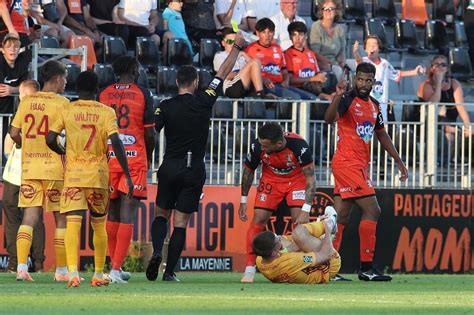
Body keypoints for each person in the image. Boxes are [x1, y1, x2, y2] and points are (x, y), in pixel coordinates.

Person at [146, 32, 246, 282]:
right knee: (180, 222)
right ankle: (169, 272)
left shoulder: (165, 105)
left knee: (161, 214)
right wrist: (236, 47)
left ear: (177, 82)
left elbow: (151, 130)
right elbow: (222, 72)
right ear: (195, 83)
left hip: (169, 166)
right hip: (193, 168)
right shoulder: (205, 99)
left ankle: (157, 250)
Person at [46, 71, 133, 288]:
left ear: (76, 88)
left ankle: (73, 274)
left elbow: (49, 138)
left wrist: (62, 150)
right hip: (98, 175)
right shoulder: (106, 112)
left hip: (74, 174)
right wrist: (127, 174)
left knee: (73, 225)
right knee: (98, 225)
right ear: (96, 90)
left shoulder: (67, 109)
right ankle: (98, 274)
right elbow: (116, 143)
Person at [324, 62, 408, 281]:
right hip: (347, 163)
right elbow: (328, 119)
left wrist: (398, 160)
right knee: (373, 210)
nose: (363, 83)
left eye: (368, 80)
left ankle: (327, 269)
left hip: (358, 164)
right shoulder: (347, 100)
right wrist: (337, 97)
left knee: (341, 216)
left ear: (373, 81)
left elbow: (382, 134)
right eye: (360, 79)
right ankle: (367, 268)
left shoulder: (374, 105)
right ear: (355, 79)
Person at [10, 60, 70, 282]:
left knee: (30, 215)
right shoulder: (63, 103)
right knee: (60, 218)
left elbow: (14, 132)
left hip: (30, 166)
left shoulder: (28, 101)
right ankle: (61, 271)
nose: (65, 82)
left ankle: (22, 268)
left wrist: (23, 144)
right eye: (64, 78)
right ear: (56, 79)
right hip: (54, 168)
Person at [98, 56, 155, 284]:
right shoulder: (143, 93)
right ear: (134, 69)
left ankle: (114, 267)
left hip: (109, 157)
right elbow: (149, 133)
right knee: (127, 213)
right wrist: (148, 156)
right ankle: (116, 268)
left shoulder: (103, 93)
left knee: (112, 212)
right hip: (134, 159)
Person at [238, 122, 316, 283]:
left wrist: (306, 209)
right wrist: (243, 200)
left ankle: (296, 264)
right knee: (258, 220)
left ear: (279, 143)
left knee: (300, 224)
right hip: (271, 181)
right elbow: (248, 171)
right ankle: (250, 269)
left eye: (266, 146)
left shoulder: (299, 146)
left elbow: (310, 178)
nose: (263, 149)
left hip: (296, 181)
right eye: (261, 144)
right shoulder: (257, 146)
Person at [2, 79, 45, 273]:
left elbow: (10, 139)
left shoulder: (21, 112)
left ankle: (14, 263)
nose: (19, 98)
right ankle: (38, 263)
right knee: (35, 217)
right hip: (37, 172)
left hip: (14, 174)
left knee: (12, 218)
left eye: (20, 95)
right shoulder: (48, 113)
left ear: (26, 96)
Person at [253, 207, 340, 284]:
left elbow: (292, 247)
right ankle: (330, 224)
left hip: (293, 264)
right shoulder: (293, 261)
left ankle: (319, 233)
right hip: (330, 264)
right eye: (277, 240)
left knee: (290, 239)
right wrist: (327, 230)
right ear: (273, 252)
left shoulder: (260, 260)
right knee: (299, 233)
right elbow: (326, 255)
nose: (279, 237)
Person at [353, 35, 425, 122]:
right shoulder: (364, 61)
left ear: (379, 48)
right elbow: (358, 60)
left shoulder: (385, 63)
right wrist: (355, 52)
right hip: (365, 103)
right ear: (365, 49)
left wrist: (414, 72)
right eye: (369, 45)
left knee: (381, 130)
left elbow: (397, 74)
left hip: (381, 105)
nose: (372, 47)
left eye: (374, 44)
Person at [417, 55, 472, 163]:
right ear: (432, 68)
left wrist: (468, 125)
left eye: (443, 65)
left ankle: (445, 164)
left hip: (449, 122)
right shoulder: (426, 85)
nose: (440, 67)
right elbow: (433, 105)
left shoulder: (454, 84)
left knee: (450, 137)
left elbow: (460, 107)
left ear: (447, 68)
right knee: (449, 130)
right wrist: (438, 83)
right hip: (430, 122)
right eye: (437, 64)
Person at [245, 18, 315, 100]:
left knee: (311, 98)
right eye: (264, 32)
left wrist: (286, 80)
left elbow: (284, 71)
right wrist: (262, 79)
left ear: (274, 33)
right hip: (264, 86)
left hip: (280, 85)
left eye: (270, 32)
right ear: (257, 33)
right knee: (296, 98)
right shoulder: (250, 49)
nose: (267, 35)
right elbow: (247, 71)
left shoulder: (277, 48)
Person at [284, 21, 334, 101]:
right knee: (326, 98)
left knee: (336, 94)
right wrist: (312, 79)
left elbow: (317, 74)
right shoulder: (287, 54)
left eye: (300, 34)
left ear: (305, 36)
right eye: (294, 35)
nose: (297, 38)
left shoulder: (310, 53)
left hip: (313, 86)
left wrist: (321, 77)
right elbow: (290, 79)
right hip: (298, 88)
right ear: (290, 37)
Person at [213, 27, 267, 98]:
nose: (233, 44)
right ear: (223, 43)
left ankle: (260, 94)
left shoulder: (242, 55)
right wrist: (246, 72)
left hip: (245, 85)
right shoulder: (220, 55)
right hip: (230, 87)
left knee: (256, 63)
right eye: (230, 41)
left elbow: (257, 68)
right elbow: (226, 75)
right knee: (255, 61)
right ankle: (261, 95)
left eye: (235, 42)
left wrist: (243, 54)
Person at [0, 33, 29, 140]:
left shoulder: (22, 65)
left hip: (10, 110)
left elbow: (27, 87)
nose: (12, 49)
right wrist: (18, 89)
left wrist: (13, 89)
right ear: (2, 50)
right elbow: (2, 89)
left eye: (15, 47)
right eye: (8, 47)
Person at [309, 0, 346, 79]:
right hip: (320, 63)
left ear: (336, 11)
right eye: (325, 9)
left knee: (355, 65)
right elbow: (315, 53)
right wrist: (332, 64)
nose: (328, 11)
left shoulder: (339, 29)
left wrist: (342, 63)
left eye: (331, 9)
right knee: (338, 71)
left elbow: (341, 53)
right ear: (321, 11)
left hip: (335, 63)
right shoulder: (316, 27)